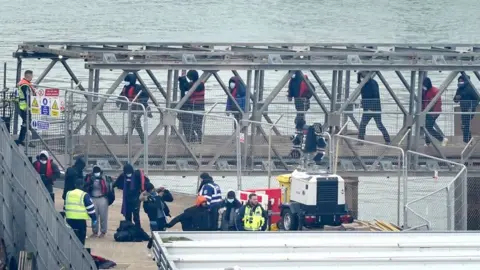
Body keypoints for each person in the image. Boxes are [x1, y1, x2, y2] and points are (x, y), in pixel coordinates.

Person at [117, 73, 152, 144]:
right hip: (131, 109)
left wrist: (141, 101)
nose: (126, 82)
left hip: (139, 108)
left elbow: (146, 96)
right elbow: (121, 95)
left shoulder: (138, 87)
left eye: (127, 81)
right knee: (136, 124)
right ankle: (143, 140)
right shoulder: (125, 87)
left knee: (133, 123)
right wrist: (118, 102)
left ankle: (127, 139)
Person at [357, 71, 391, 145]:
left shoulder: (372, 83)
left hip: (375, 108)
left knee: (379, 124)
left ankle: (388, 140)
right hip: (367, 108)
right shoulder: (364, 83)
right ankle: (360, 141)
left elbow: (375, 96)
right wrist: (359, 75)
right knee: (362, 125)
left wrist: (370, 108)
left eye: (363, 74)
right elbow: (358, 82)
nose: (362, 75)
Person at [114, 163, 149, 228]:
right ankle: (129, 230)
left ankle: (138, 229)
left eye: (129, 172)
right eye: (127, 172)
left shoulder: (137, 175)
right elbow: (116, 184)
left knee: (136, 216)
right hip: (127, 199)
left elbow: (146, 182)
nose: (128, 174)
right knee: (127, 215)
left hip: (136, 198)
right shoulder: (123, 176)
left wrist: (143, 192)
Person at [64, 178, 97, 245]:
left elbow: (65, 206)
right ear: (82, 185)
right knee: (80, 240)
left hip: (69, 220)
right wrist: (94, 219)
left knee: (70, 239)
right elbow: (90, 208)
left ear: (75, 185)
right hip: (80, 221)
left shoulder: (68, 193)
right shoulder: (84, 195)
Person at [84, 165, 114, 238]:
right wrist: (91, 181)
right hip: (93, 198)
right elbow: (85, 187)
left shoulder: (105, 178)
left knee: (103, 216)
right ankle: (95, 232)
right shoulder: (89, 178)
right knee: (94, 216)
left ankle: (103, 231)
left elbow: (109, 188)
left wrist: (102, 180)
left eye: (98, 172)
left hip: (103, 198)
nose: (96, 173)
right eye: (95, 172)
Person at [178, 70, 205, 142]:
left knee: (197, 126)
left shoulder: (200, 84)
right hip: (191, 108)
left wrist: (183, 80)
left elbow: (188, 86)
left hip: (198, 109)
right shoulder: (192, 84)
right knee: (188, 125)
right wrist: (181, 82)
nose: (189, 79)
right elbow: (183, 88)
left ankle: (199, 139)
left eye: (189, 77)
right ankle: (192, 140)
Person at [454, 74, 480, 144]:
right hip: (463, 109)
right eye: (459, 81)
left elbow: (477, 99)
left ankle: (467, 141)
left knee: (465, 125)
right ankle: (469, 140)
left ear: (465, 81)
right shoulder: (459, 89)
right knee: (464, 125)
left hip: (470, 110)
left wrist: (471, 107)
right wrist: (457, 98)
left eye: (461, 81)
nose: (460, 83)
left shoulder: (471, 89)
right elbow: (455, 100)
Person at [422, 77, 447, 147]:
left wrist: (435, 113)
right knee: (427, 126)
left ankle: (442, 139)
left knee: (428, 127)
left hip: (434, 111)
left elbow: (438, 103)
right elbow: (423, 101)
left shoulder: (434, 91)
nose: (423, 86)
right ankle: (427, 142)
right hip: (427, 111)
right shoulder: (424, 91)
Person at [14, 70, 36, 147]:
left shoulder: (21, 83)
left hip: (21, 106)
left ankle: (21, 139)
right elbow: (27, 97)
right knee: (27, 123)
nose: (32, 78)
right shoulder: (25, 85)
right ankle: (23, 140)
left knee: (25, 123)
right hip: (25, 108)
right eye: (32, 76)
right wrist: (30, 106)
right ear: (28, 76)